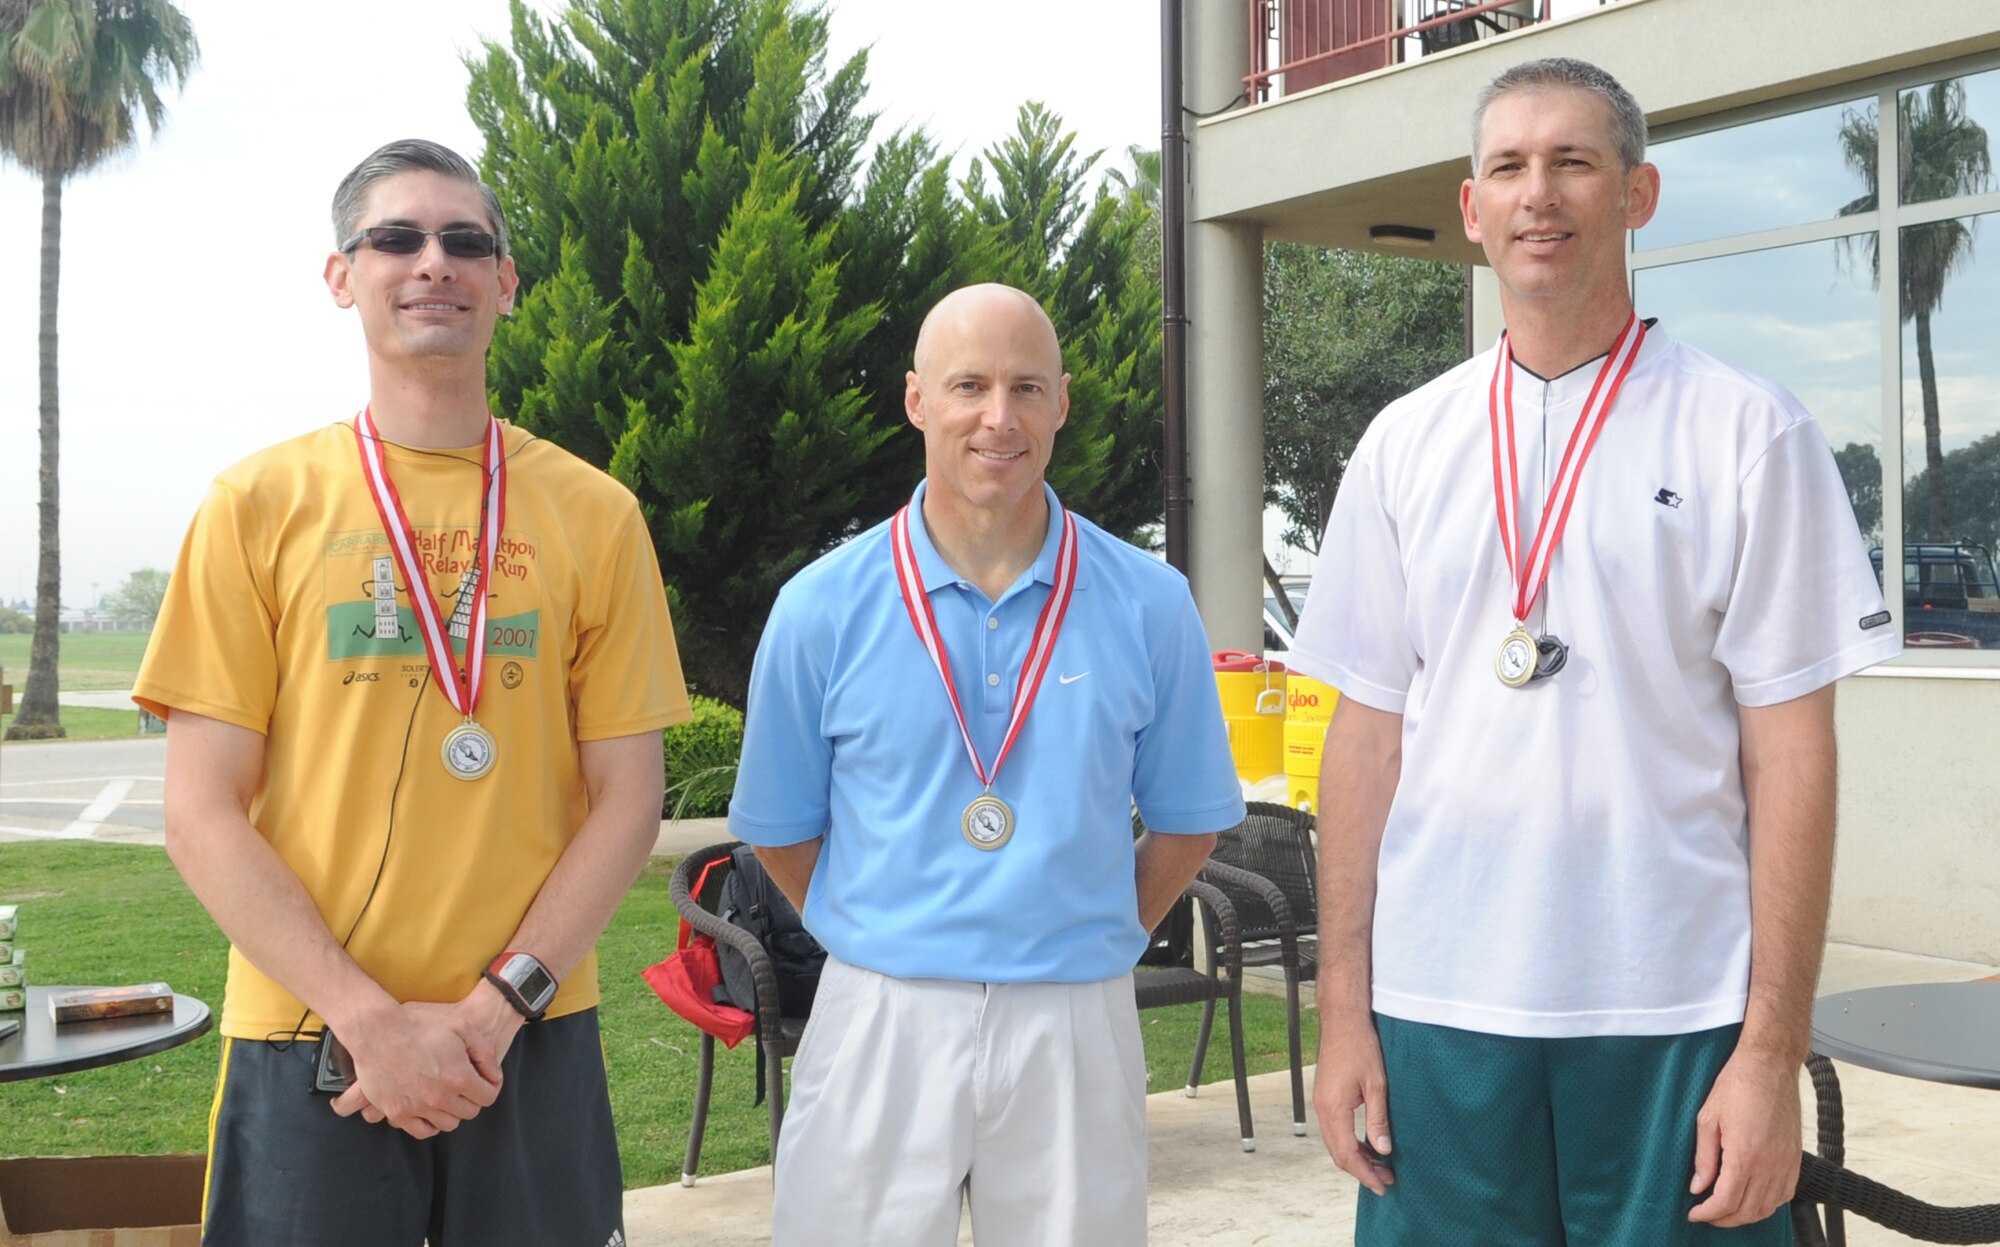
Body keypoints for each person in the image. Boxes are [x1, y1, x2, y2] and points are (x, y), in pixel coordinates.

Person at [1290, 57, 1902, 1246]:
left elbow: (1791, 759)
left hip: (1674, 1010)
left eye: (1572, 161)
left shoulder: (1747, 430)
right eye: (1507, 167)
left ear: (1636, 193)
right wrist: (1340, 1019)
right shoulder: (1401, 445)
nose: (1538, 194)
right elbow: (1361, 744)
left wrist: (1770, 1050)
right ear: (1469, 209)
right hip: (1438, 1010)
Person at [135, 138, 688, 1247]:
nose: (432, 261)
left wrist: (494, 1007)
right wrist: (367, 1018)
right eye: (396, 237)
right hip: (309, 1034)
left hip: (527, 1033)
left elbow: (628, 798)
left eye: (465, 241)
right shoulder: (256, 503)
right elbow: (200, 811)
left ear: (505, 281)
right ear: (343, 277)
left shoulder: (595, 512)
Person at [728, 282, 1245, 1246]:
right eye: (969, 385)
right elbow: (780, 827)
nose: (997, 417)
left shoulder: (1149, 600)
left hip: (1074, 1018)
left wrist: (1093, 935)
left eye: (1026, 386)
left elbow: (1188, 819)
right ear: (918, 400)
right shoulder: (820, 606)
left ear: (1062, 402)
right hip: (882, 1011)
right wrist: (881, 927)